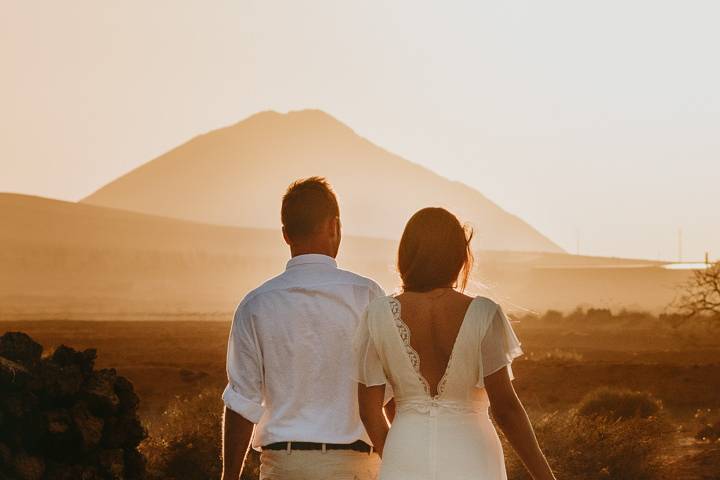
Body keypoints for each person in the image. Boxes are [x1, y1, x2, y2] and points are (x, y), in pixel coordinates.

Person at [355, 207, 556, 480]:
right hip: (472, 454)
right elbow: (506, 409)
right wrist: (545, 476)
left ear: (406, 254)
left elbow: (369, 410)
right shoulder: (484, 314)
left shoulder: (377, 315)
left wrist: (396, 458)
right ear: (459, 257)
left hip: (406, 451)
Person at [221, 177, 388, 480]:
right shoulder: (367, 296)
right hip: (354, 467)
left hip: (284, 466)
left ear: (286, 234)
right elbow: (389, 393)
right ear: (334, 226)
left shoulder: (255, 304)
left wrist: (229, 475)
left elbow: (242, 402)